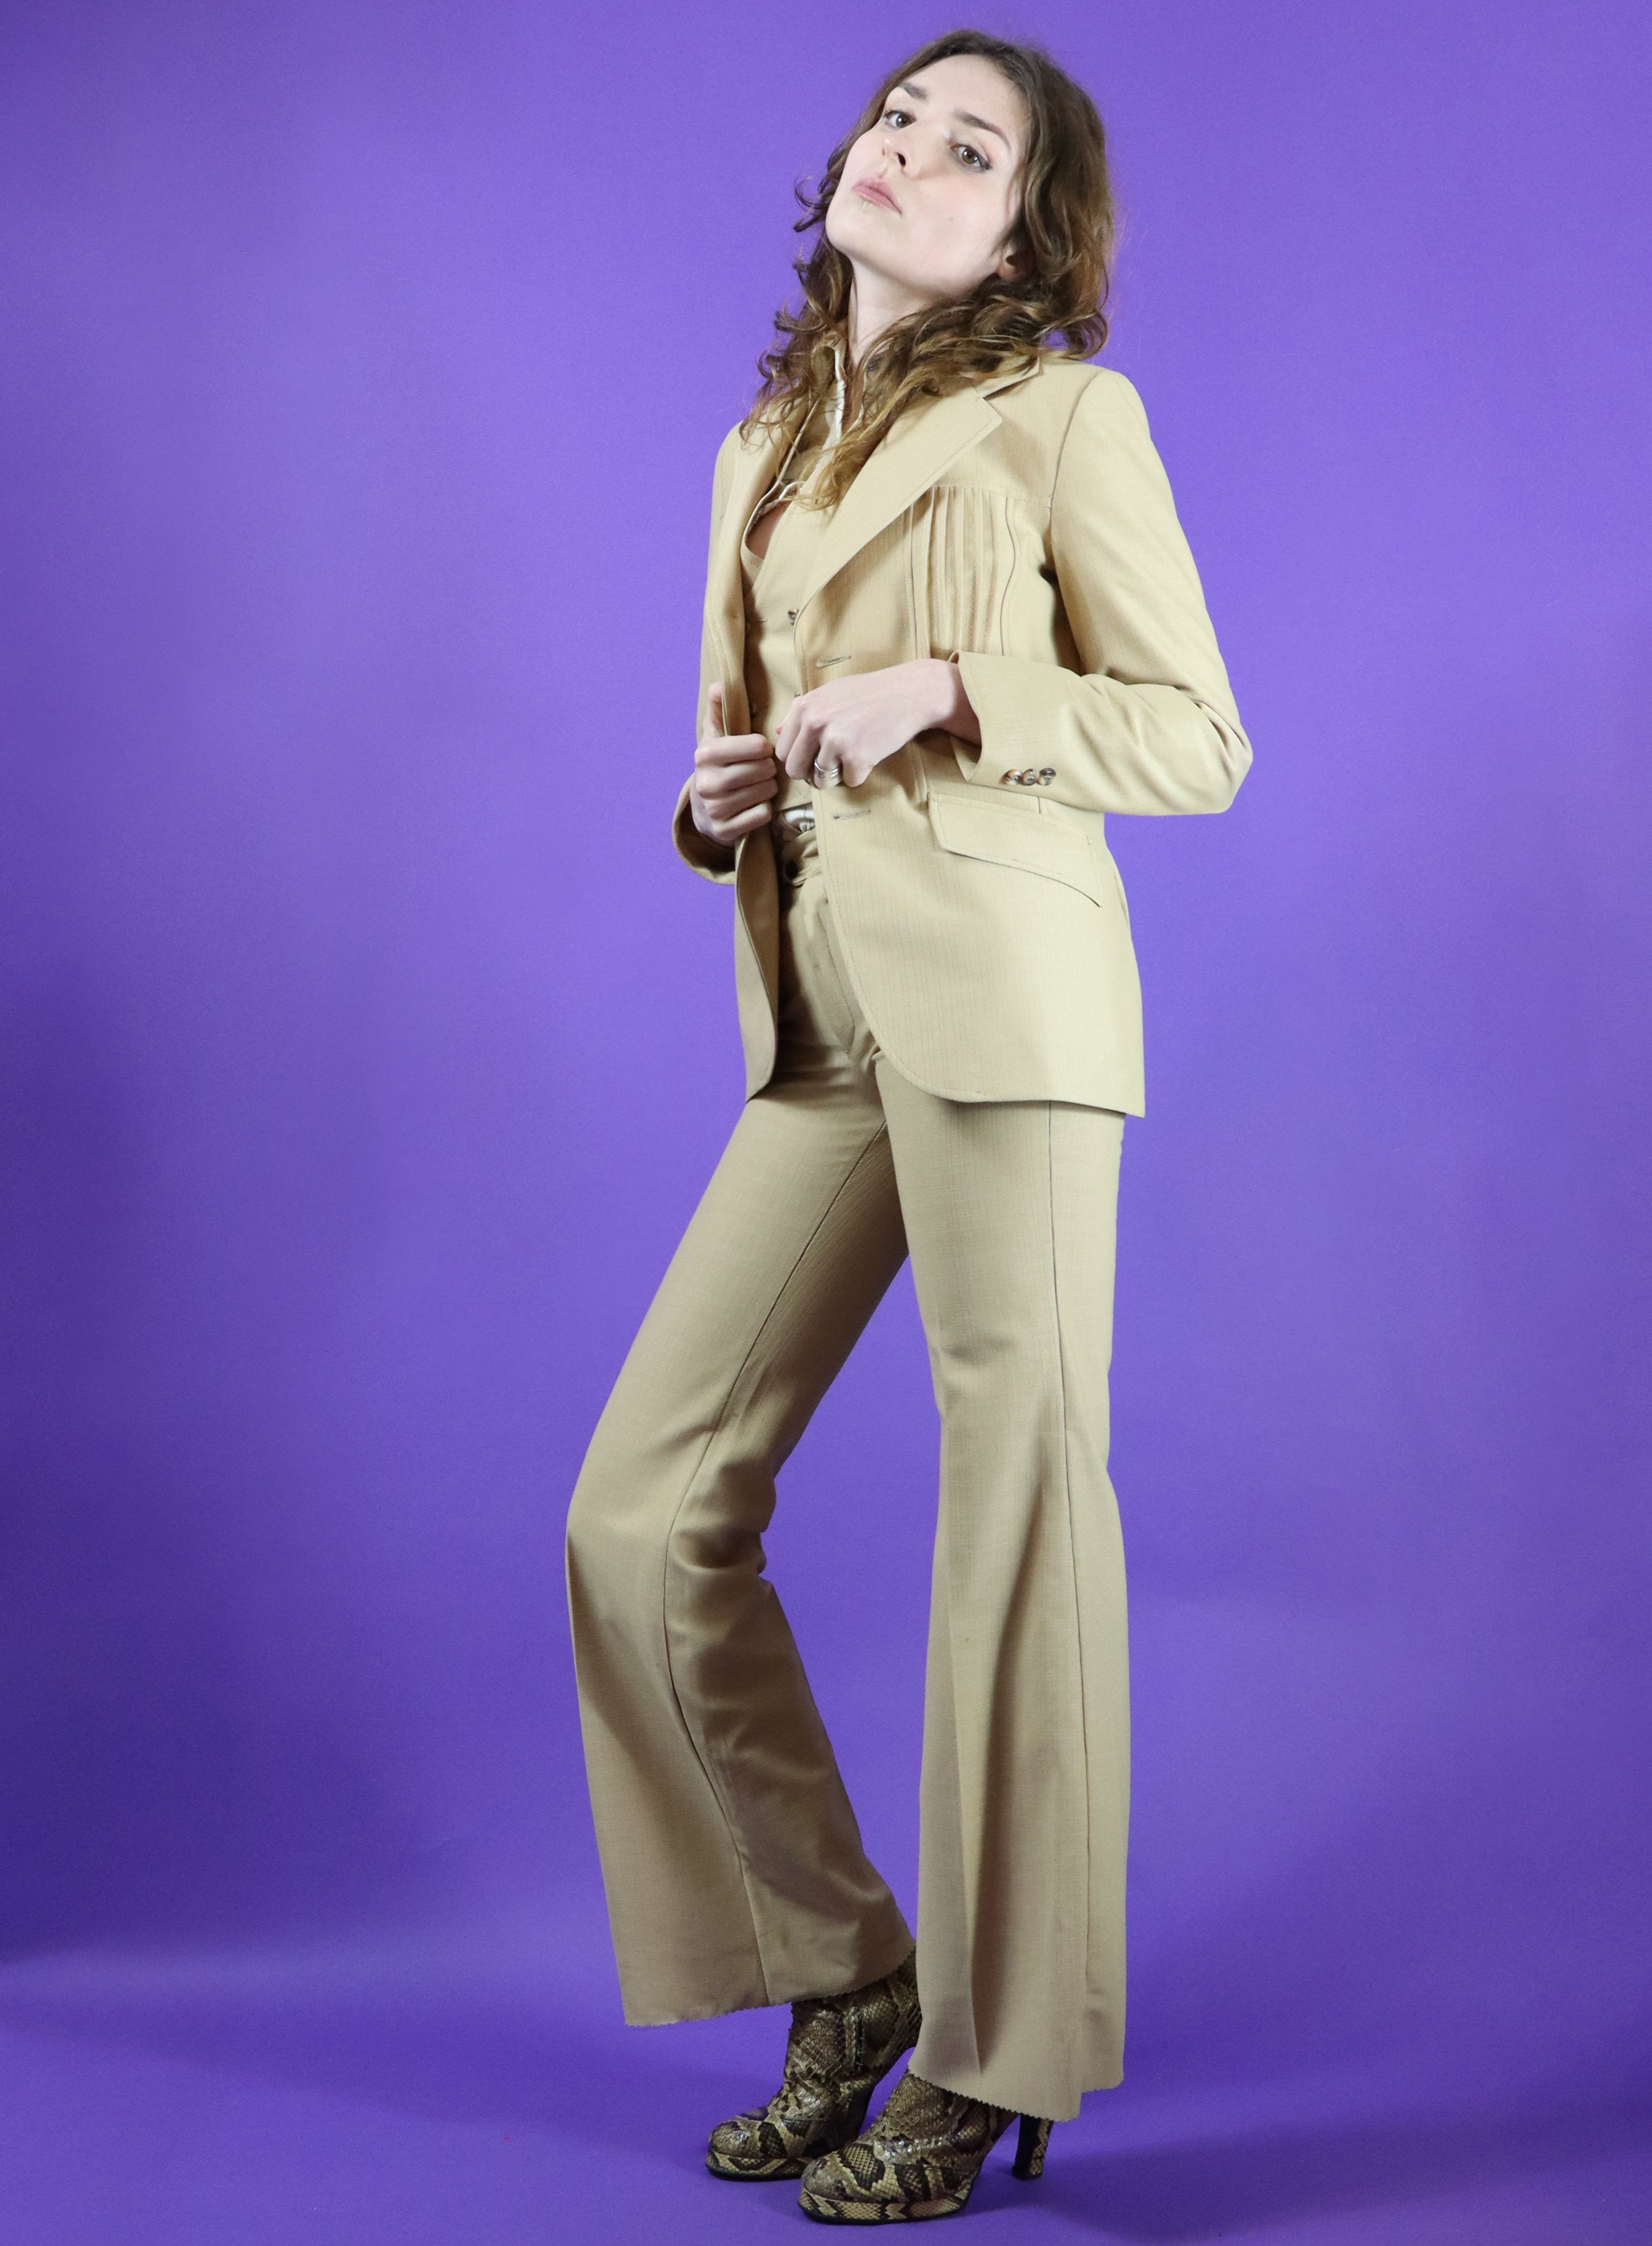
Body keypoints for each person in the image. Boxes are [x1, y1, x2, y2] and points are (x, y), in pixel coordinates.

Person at [564, 28, 1250, 2225]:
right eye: (898, 118)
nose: (913, 153)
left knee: (1014, 1505)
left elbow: (1198, 735)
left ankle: (992, 2050)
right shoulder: (758, 442)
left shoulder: (1061, 417)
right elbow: (743, 737)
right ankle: (843, 1961)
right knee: (644, 1510)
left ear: (1023, 234)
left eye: (973, 149)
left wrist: (960, 689)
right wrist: (713, 804)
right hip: (827, 1018)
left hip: (1013, 1004)